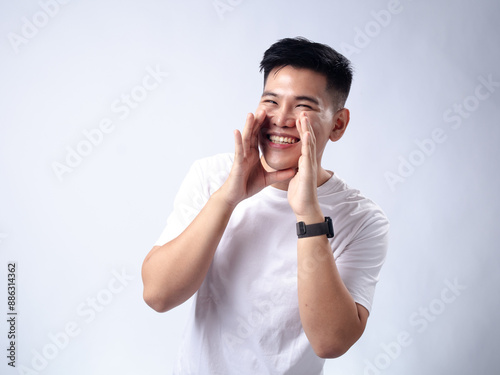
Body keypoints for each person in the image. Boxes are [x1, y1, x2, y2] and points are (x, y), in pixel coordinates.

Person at [141, 37, 389, 375]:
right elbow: (158, 295)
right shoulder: (212, 176)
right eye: (271, 101)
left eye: (304, 106)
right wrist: (229, 197)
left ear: (338, 124)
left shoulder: (362, 219)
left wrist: (308, 214)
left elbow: (331, 341)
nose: (282, 118)